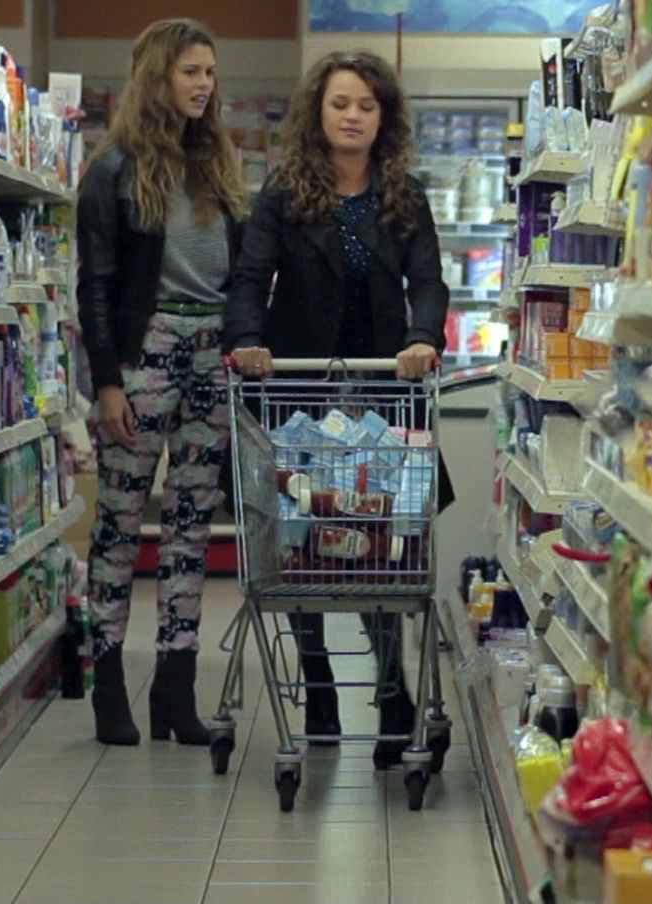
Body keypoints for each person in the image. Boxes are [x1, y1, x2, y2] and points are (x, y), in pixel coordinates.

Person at [225, 49, 453, 766]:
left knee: (382, 544)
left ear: (385, 118)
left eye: (366, 105)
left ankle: (392, 691)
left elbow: (429, 282)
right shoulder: (284, 192)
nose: (353, 116)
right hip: (300, 388)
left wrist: (422, 338)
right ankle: (318, 684)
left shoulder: (403, 195)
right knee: (301, 540)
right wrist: (248, 341)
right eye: (340, 103)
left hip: (384, 388)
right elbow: (250, 276)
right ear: (317, 113)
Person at [76, 18, 253, 747]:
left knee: (190, 526)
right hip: (143, 352)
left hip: (213, 352)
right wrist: (107, 382)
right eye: (190, 71)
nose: (204, 84)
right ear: (158, 77)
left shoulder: (217, 165)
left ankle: (175, 693)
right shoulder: (113, 170)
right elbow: (95, 285)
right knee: (120, 523)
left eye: (209, 71)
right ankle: (108, 686)